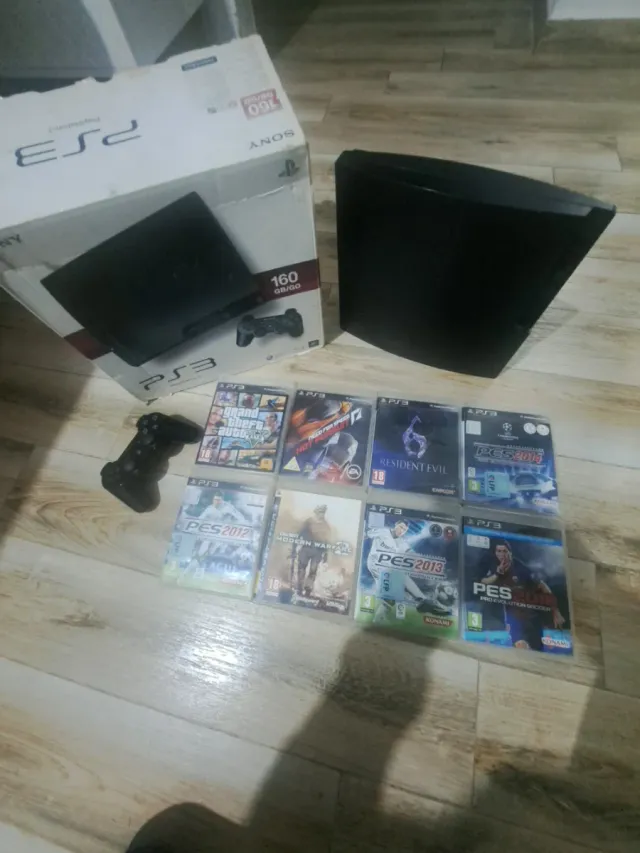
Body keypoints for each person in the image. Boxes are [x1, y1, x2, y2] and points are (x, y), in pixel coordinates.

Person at [483, 538, 565, 650]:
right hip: (514, 620)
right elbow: (484, 583)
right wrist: (497, 574)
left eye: (504, 551)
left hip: (531, 619)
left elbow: (543, 587)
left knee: (535, 651)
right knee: (521, 647)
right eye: (499, 551)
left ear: (510, 553)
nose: (502, 554)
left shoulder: (522, 569)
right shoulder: (494, 566)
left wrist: (555, 611)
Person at [365, 519, 441, 623]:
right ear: (396, 525)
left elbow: (412, 554)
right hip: (375, 564)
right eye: (401, 527)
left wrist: (426, 563)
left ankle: (378, 619)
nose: (402, 531)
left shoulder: (401, 542)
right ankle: (422, 600)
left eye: (405, 530)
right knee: (400, 575)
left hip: (384, 569)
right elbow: (366, 534)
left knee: (390, 598)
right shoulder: (383, 532)